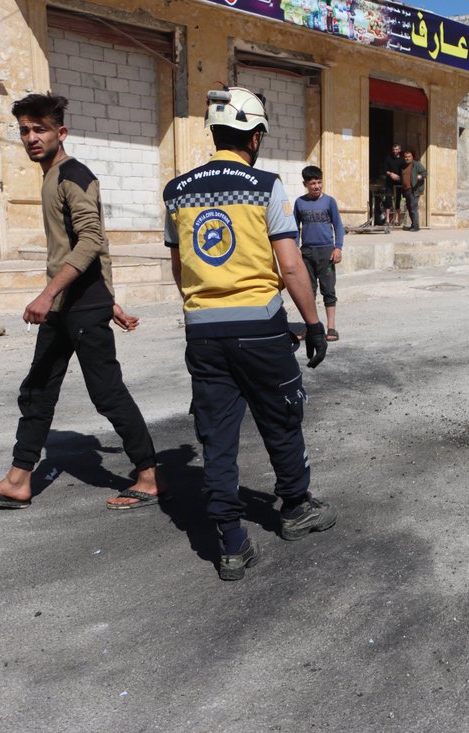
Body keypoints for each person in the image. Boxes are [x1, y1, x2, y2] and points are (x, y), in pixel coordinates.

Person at [162, 86, 337, 580]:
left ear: (214, 132)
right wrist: (314, 322)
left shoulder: (176, 190)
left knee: (216, 438)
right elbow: (291, 266)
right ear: (255, 136)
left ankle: (232, 543)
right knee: (281, 418)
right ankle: (296, 508)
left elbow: (179, 268)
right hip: (260, 329)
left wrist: (205, 303)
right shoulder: (265, 185)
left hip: (203, 333)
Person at [0, 92, 162, 513]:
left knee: (107, 394)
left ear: (60, 132)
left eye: (40, 129)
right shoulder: (50, 175)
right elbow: (92, 249)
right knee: (37, 391)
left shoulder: (75, 175)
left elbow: (93, 240)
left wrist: (58, 293)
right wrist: (111, 300)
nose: (31, 137)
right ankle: (18, 480)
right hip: (69, 306)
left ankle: (148, 477)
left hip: (76, 306)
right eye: (25, 131)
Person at [294, 165, 344, 342]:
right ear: (305, 184)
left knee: (328, 290)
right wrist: (295, 249)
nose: (316, 186)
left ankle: (331, 328)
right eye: (312, 183)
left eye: (319, 182)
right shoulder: (299, 203)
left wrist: (338, 247)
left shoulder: (329, 201)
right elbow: (295, 229)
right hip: (307, 252)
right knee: (308, 291)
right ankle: (312, 327)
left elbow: (338, 226)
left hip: (326, 252)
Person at [401, 148, 427, 232]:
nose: (407, 158)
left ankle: (416, 226)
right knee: (409, 207)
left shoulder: (416, 164)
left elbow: (425, 172)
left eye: (409, 156)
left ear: (412, 157)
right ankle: (413, 224)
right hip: (407, 190)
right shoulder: (403, 166)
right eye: (406, 157)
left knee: (413, 207)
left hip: (414, 190)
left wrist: (420, 176)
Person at [382, 143, 403, 227]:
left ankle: (397, 219)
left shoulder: (402, 160)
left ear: (399, 150)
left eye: (396, 149)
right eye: (394, 149)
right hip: (389, 182)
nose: (395, 151)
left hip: (398, 182)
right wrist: (391, 174)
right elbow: (384, 169)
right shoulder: (388, 158)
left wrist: (399, 177)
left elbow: (404, 171)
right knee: (388, 199)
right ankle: (387, 219)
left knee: (398, 200)